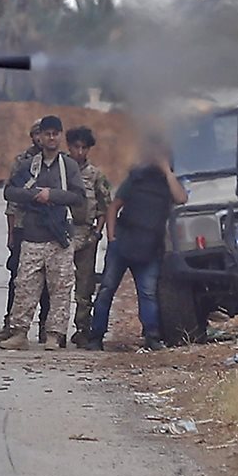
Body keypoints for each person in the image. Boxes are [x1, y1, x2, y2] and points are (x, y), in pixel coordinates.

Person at [83, 134, 187, 351]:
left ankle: (152, 336)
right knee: (106, 290)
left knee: (147, 293)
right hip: (124, 241)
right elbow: (114, 207)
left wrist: (166, 171)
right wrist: (112, 238)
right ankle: (95, 337)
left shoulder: (169, 182)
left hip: (149, 246)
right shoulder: (136, 178)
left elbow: (181, 198)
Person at [0, 115, 84, 351]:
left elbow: (79, 197)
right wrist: (34, 195)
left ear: (60, 136)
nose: (51, 137)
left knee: (60, 288)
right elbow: (10, 192)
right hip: (33, 234)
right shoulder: (29, 165)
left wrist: (52, 195)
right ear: (40, 136)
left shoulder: (69, 167)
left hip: (59, 237)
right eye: (47, 133)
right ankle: (19, 333)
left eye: (55, 133)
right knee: (25, 285)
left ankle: (54, 335)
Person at [65, 126, 113, 347]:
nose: (80, 152)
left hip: (86, 232)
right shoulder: (61, 169)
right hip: (62, 233)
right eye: (76, 147)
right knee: (56, 284)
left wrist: (97, 232)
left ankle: (82, 328)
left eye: (84, 148)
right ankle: (53, 328)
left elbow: (105, 206)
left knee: (84, 286)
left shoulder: (96, 175)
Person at [4, 119, 45, 330]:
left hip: (49, 228)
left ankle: (45, 327)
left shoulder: (60, 162)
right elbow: (11, 200)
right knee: (17, 278)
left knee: (48, 281)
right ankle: (10, 324)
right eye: (37, 134)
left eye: (43, 133)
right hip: (22, 225)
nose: (41, 138)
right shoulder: (22, 161)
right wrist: (11, 234)